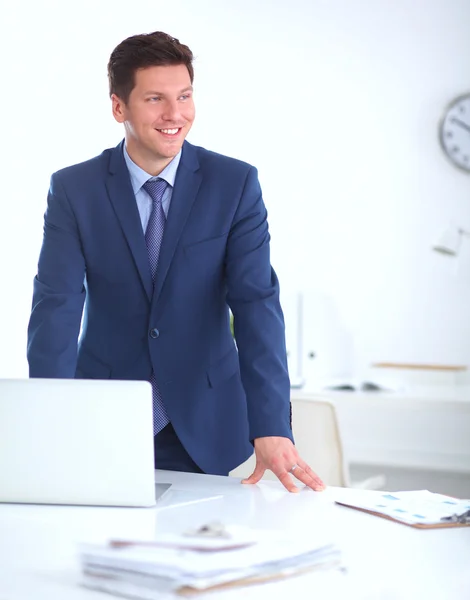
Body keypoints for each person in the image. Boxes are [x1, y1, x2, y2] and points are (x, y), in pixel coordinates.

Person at [27, 31, 325, 493]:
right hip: (103, 418)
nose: (175, 114)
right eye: (155, 99)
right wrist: (51, 419)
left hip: (208, 422)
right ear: (118, 107)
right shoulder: (74, 190)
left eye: (184, 96)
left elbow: (256, 306)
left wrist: (271, 424)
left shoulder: (235, 184)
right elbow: (56, 308)